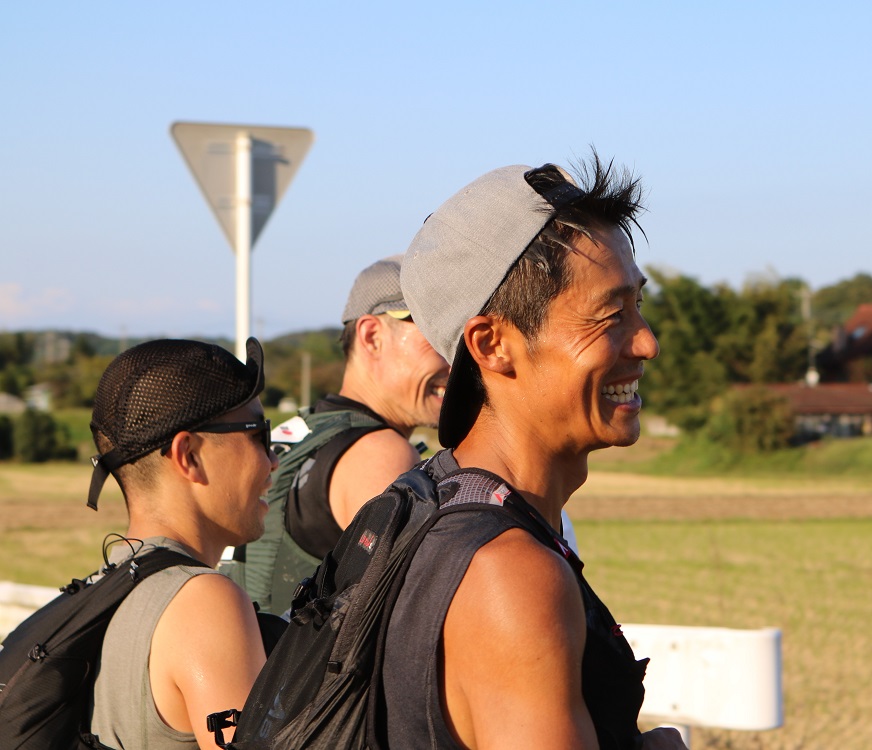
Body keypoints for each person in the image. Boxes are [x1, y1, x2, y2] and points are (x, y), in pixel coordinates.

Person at [385, 155, 686, 749]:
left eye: (638, 307)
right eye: (610, 315)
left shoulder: (432, 501)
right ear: (492, 344)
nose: (647, 343)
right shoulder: (509, 577)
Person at [86, 337, 278, 749]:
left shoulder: (105, 586)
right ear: (188, 455)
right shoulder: (203, 602)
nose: (273, 460)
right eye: (259, 436)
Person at [230, 255, 450, 613]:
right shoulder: (380, 454)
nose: (456, 360)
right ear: (372, 336)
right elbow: (415, 613)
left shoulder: (302, 431)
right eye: (439, 338)